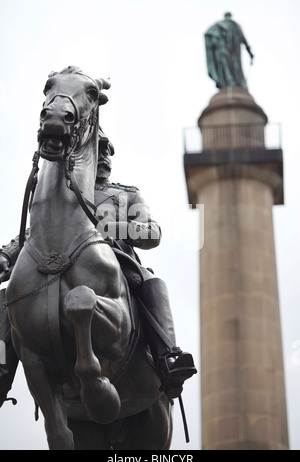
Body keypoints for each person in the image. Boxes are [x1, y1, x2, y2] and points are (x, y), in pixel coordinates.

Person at [0, 129, 196, 406]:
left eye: (108, 151)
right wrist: (7, 255)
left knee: (152, 281)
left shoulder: (127, 194)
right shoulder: (63, 195)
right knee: (15, 294)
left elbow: (152, 233)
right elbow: (38, 231)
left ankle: (168, 357)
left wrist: (110, 228)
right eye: (99, 149)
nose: (104, 156)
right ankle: (2, 369)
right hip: (59, 265)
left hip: (116, 266)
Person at [205, 12, 254, 90]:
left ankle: (233, 83)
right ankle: (229, 82)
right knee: (227, 65)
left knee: (232, 66)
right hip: (225, 50)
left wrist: (250, 53)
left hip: (232, 52)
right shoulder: (232, 25)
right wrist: (250, 53)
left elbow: (243, 39)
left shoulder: (234, 26)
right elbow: (209, 34)